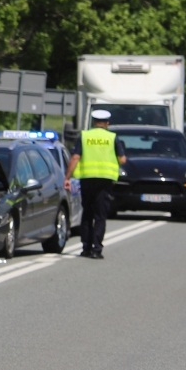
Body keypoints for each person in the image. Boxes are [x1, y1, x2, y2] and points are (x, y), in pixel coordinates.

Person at [65, 109, 126, 259]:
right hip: (105, 180)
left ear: (93, 122)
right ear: (107, 123)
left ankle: (86, 247)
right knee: (100, 215)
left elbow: (75, 158)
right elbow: (123, 159)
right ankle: (96, 249)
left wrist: (67, 178)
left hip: (87, 179)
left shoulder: (85, 136)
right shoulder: (113, 138)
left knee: (87, 213)